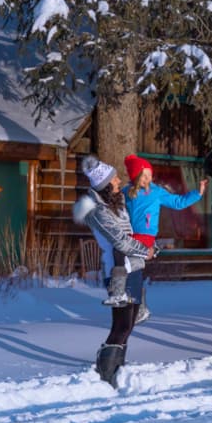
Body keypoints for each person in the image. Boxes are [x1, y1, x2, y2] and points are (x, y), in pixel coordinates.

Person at [73, 155, 154, 387]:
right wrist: (143, 250)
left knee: (128, 326)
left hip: (134, 268)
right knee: (121, 325)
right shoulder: (98, 212)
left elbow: (130, 234)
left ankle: (117, 370)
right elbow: (119, 241)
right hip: (118, 272)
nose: (119, 181)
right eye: (115, 178)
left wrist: (149, 247)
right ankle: (105, 376)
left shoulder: (116, 206)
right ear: (105, 184)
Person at [120, 154, 209, 321]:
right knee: (128, 271)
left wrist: (197, 193)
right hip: (129, 237)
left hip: (145, 237)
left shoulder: (156, 192)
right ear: (135, 176)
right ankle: (136, 304)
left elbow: (178, 202)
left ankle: (139, 307)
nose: (148, 178)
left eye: (149, 174)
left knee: (132, 268)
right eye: (144, 175)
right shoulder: (125, 193)